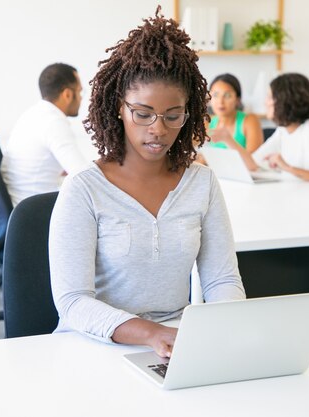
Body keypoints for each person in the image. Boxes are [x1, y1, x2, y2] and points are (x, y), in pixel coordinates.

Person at [49, 7, 246, 358]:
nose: (158, 129)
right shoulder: (83, 190)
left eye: (173, 116)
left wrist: (224, 331)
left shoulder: (202, 183)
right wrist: (153, 334)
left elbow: (222, 281)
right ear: (118, 109)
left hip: (175, 345)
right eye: (143, 114)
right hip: (95, 345)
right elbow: (73, 302)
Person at [0, 63, 89, 206]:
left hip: (19, 203)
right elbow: (83, 177)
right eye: (79, 92)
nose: (80, 98)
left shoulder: (34, 114)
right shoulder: (54, 122)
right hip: (32, 211)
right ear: (67, 94)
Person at [247, 73, 309, 185]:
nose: (265, 102)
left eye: (270, 97)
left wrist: (286, 167)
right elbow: (254, 162)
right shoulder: (283, 130)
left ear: (286, 101)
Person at [201, 73, 263, 168]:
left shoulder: (249, 120)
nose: (221, 101)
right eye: (216, 95)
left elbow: (254, 164)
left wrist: (228, 140)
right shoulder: (207, 123)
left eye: (227, 95)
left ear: (237, 100)